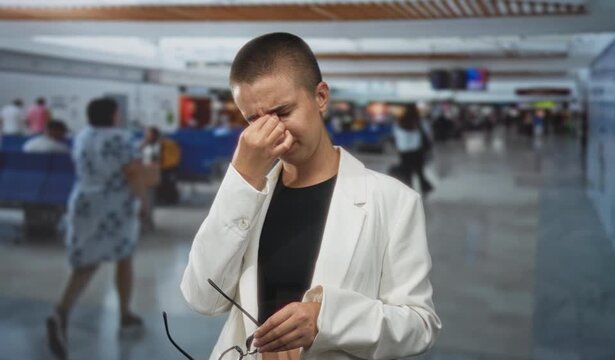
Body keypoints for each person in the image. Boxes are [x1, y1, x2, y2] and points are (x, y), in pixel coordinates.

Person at [180, 33, 440, 360]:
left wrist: (327, 319)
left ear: (320, 97)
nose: (272, 132)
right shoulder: (246, 197)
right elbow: (202, 297)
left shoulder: (393, 202)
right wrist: (241, 178)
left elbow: (420, 324)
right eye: (253, 120)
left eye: (283, 111)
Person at [46, 98, 145, 359]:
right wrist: (143, 204)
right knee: (124, 258)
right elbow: (132, 173)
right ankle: (124, 315)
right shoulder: (121, 138)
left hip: (83, 203)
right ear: (113, 115)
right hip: (114, 206)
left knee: (85, 264)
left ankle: (61, 311)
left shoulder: (83, 136)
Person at [392, 104, 434, 195]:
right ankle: (424, 189)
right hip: (417, 150)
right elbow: (427, 133)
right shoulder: (419, 122)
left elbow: (396, 136)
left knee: (407, 172)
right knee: (419, 171)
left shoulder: (399, 122)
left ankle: (409, 189)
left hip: (404, 151)